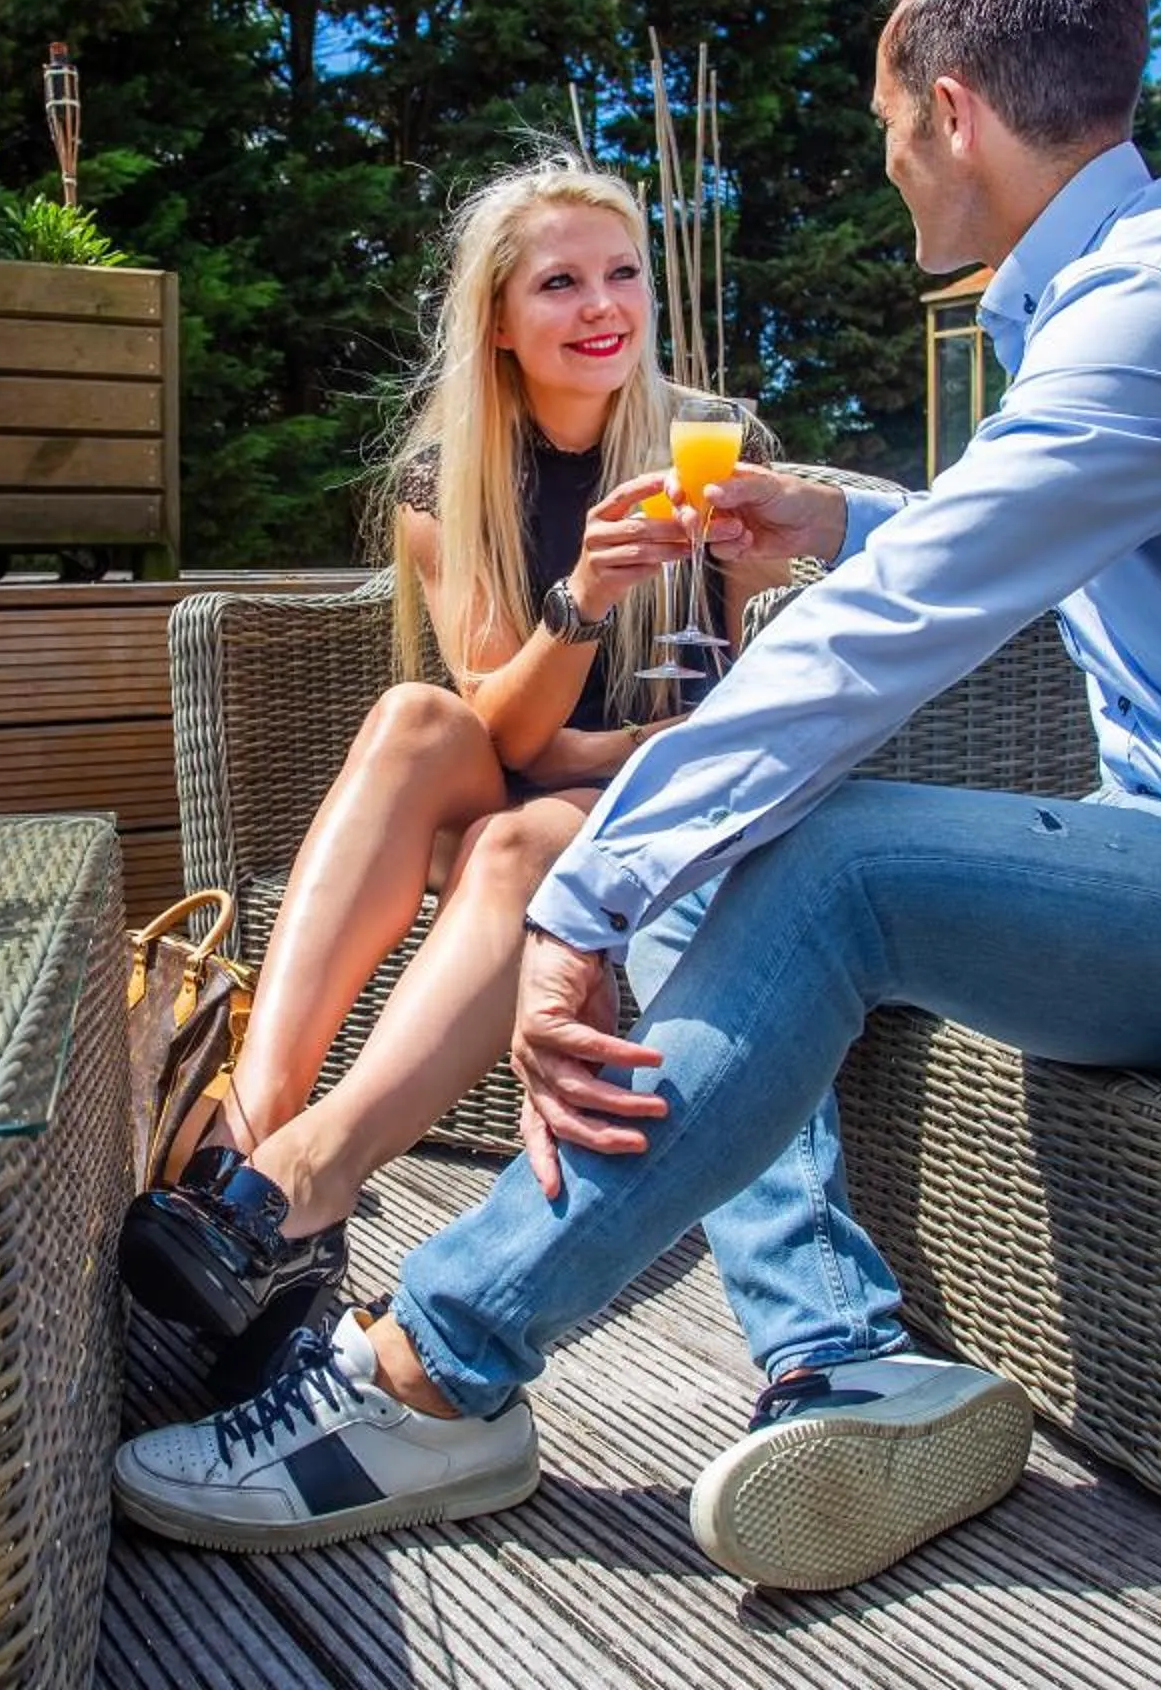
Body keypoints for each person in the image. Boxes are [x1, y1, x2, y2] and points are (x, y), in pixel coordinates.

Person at [111, 0, 1161, 1586]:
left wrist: (581, 905)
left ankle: (432, 1367)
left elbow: (889, 628)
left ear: (952, 112)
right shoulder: (1140, 294)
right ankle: (844, 1354)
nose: (888, 164)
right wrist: (836, 509)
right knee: (736, 839)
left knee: (819, 854)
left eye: (891, 125)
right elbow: (1005, 538)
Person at [118, 154, 763, 1395]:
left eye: (622, 273)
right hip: (523, 776)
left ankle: (286, 1191)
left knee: (519, 845)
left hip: (640, 817)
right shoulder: (445, 478)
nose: (601, 306)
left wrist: (603, 737)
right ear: (501, 323)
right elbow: (503, 732)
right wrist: (585, 600)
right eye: (561, 282)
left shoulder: (708, 447)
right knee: (418, 715)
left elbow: (709, 718)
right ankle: (255, 1142)